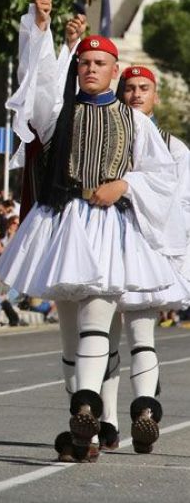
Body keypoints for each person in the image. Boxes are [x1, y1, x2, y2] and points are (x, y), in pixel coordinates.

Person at [0, 0, 187, 462]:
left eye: (99, 63)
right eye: (84, 63)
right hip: (64, 225)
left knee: (98, 319)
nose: (90, 69)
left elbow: (162, 177)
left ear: (114, 70)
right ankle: (81, 415)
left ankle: (86, 408)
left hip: (111, 229)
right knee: (67, 334)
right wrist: (39, 28)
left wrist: (124, 187)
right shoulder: (60, 111)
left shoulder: (136, 123)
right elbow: (35, 85)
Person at [113, 64, 190, 453]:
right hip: (107, 244)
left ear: (155, 96)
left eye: (144, 88)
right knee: (104, 337)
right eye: (129, 88)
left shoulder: (176, 149)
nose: (136, 95)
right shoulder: (105, 136)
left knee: (142, 334)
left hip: (147, 249)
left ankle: (145, 412)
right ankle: (103, 423)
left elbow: (183, 208)